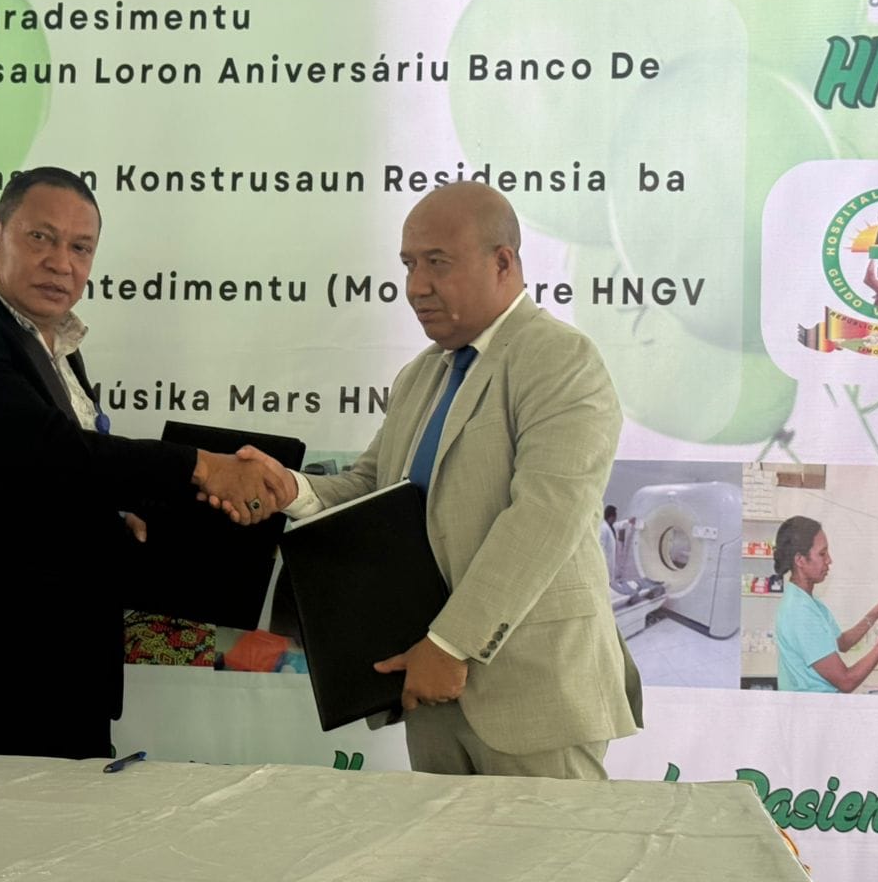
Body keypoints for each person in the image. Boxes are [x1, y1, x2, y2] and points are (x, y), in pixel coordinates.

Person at [239, 182, 642, 778]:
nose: (416, 286)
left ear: (503, 262)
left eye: (437, 263)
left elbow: (546, 516)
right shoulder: (421, 376)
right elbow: (371, 486)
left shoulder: (559, 358)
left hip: (532, 693)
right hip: (426, 689)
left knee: (544, 845)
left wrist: (450, 645)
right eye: (409, 264)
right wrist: (290, 490)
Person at [0, 166, 290, 760]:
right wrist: (203, 467)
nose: (61, 263)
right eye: (41, 238)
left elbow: (48, 483)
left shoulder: (56, 345)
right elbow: (45, 452)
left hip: (63, 664)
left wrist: (119, 513)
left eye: (81, 248)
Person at [773, 515, 878, 693]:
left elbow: (842, 643)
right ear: (800, 560)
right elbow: (846, 681)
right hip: (812, 707)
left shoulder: (808, 601)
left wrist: (877, 611)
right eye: (822, 554)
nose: (829, 560)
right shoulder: (799, 612)